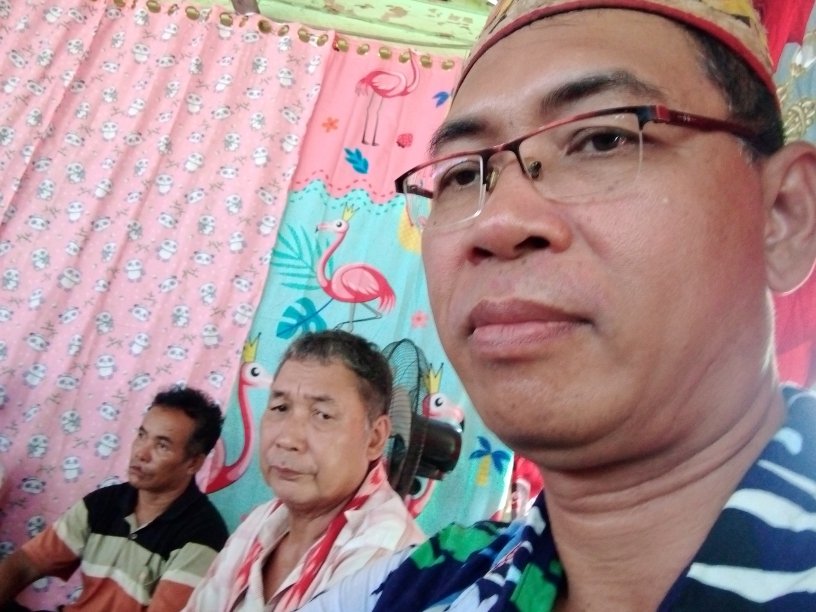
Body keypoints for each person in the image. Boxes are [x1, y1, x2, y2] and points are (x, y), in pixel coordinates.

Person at [300, 0, 816, 609]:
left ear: (782, 216)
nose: (497, 223)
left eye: (602, 139)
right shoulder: (406, 590)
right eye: (463, 174)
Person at [183, 330, 425, 611]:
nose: (287, 439)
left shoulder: (386, 558)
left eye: (322, 415)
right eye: (280, 407)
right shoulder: (262, 521)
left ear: (375, 438)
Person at [0, 386, 229, 611]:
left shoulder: (202, 536)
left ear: (193, 463)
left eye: (162, 445)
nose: (141, 453)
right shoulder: (103, 503)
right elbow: (25, 564)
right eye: (142, 435)